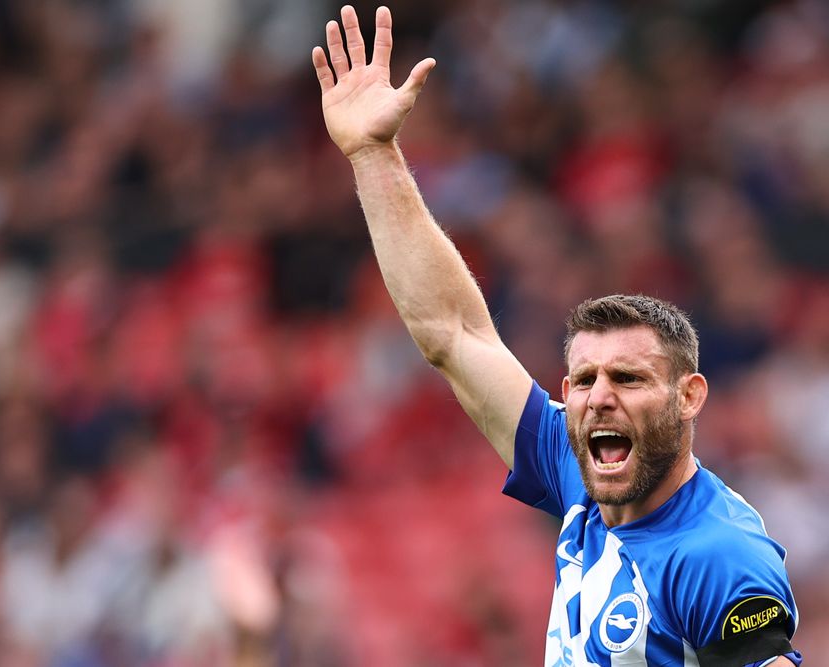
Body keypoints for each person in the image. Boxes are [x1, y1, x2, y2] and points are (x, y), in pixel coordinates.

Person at [311, 6, 803, 665]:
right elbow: (453, 335)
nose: (600, 397)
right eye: (586, 380)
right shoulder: (578, 474)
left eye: (628, 378)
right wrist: (373, 155)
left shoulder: (718, 555)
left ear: (688, 396)